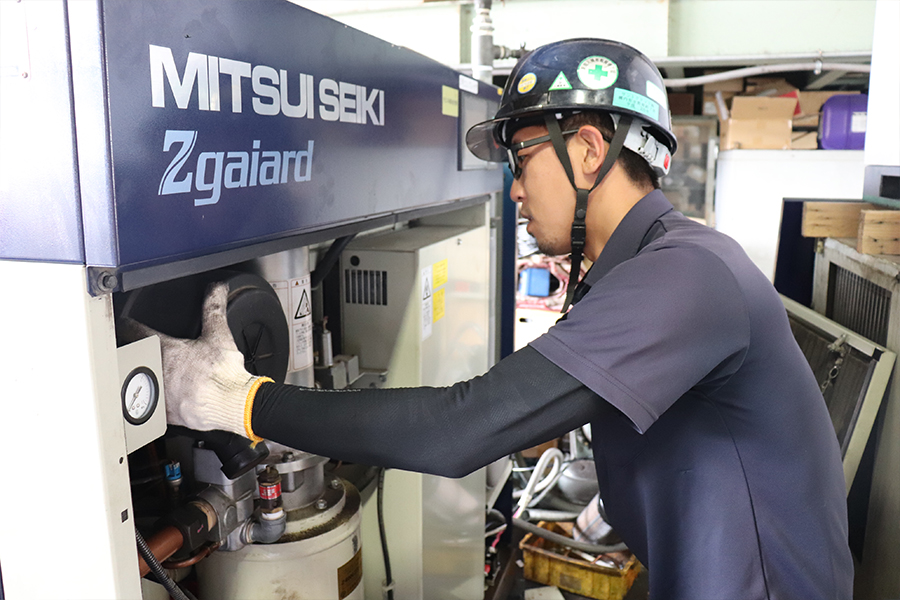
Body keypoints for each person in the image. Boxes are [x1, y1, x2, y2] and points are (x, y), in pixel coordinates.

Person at [136, 39, 853, 599]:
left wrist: (244, 402)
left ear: (589, 150)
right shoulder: (656, 267)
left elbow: (459, 432)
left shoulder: (688, 274)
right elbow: (555, 412)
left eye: (522, 158)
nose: (512, 190)